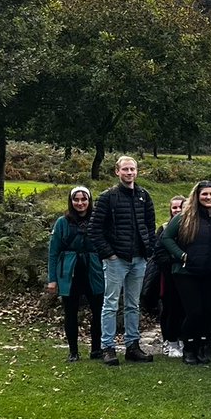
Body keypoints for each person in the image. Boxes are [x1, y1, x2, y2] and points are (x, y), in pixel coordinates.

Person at [88, 155, 157, 366]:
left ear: (137, 171)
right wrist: (109, 253)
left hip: (139, 259)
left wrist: (148, 249)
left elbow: (150, 226)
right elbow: (94, 229)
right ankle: (107, 347)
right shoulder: (108, 197)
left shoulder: (144, 196)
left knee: (133, 305)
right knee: (110, 305)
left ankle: (132, 346)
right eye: (125, 169)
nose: (129, 173)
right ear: (117, 172)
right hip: (116, 260)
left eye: (132, 169)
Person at [159, 180, 211, 366]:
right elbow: (166, 238)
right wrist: (181, 255)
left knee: (207, 311)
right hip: (186, 273)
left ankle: (202, 347)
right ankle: (189, 348)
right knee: (194, 312)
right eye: (205, 194)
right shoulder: (184, 217)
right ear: (197, 196)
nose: (208, 197)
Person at [47, 186, 104, 362]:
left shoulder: (98, 220)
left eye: (84, 199)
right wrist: (52, 280)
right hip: (69, 272)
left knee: (98, 311)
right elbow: (53, 252)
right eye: (76, 200)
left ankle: (96, 349)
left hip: (93, 270)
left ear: (89, 201)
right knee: (70, 312)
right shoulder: (62, 222)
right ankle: (73, 351)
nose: (80, 203)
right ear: (71, 201)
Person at [143, 194, 187, 358]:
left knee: (183, 308)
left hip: (185, 274)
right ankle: (169, 340)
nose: (177, 210)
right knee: (168, 308)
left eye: (180, 207)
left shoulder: (190, 226)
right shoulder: (163, 227)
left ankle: (182, 338)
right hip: (166, 274)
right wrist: (175, 259)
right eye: (174, 207)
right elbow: (158, 251)